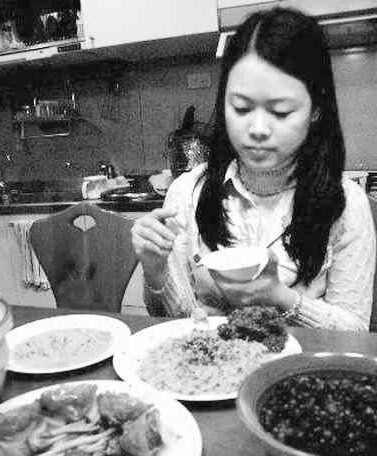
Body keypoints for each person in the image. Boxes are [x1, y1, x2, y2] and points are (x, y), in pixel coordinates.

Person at [131, 7, 376, 331]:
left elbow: (354, 331)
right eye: (242, 107)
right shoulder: (187, 193)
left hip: (300, 362)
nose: (257, 129)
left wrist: (281, 298)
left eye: (281, 111)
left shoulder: (347, 204)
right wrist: (155, 271)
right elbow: (174, 323)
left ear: (316, 110)